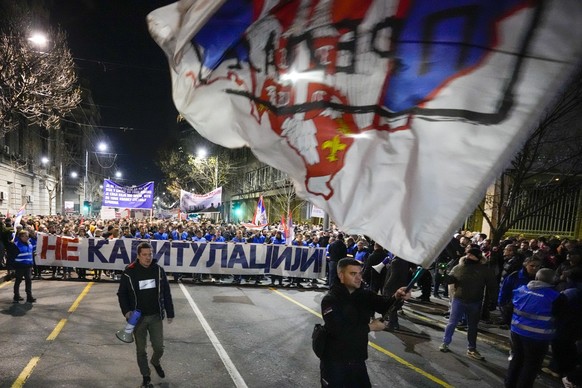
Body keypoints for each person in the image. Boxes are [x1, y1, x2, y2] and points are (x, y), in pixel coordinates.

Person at [320, 258, 408, 387]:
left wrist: (397, 296)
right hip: (334, 360)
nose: (358, 278)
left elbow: (385, 306)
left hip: (357, 358)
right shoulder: (330, 299)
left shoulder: (364, 295)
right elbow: (338, 330)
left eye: (360, 273)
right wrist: (371, 326)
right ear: (341, 275)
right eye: (353, 274)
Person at [117, 242, 175, 388]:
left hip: (155, 316)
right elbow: (122, 294)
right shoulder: (129, 272)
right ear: (138, 256)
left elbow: (166, 292)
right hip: (138, 319)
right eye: (144, 255)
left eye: (150, 254)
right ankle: (146, 376)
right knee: (140, 350)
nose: (148, 258)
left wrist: (170, 312)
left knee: (159, 348)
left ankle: (155, 361)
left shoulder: (158, 271)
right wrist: (126, 311)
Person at [505, 268, 564, 388]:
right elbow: (561, 317)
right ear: (553, 281)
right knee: (531, 365)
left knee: (516, 359)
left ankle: (509, 384)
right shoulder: (556, 297)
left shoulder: (520, 290)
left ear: (536, 278)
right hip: (538, 337)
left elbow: (508, 308)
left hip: (516, 332)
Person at [439, 247, 496, 360]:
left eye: (471, 255)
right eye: (467, 254)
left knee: (473, 326)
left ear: (478, 257)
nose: (468, 256)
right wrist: (442, 274)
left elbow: (492, 286)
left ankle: (471, 348)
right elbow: (450, 281)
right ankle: (445, 343)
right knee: (452, 323)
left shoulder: (485, 270)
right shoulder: (458, 268)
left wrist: (492, 301)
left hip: (475, 301)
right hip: (459, 300)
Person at [13, 230, 36, 303]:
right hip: (20, 265)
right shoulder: (16, 245)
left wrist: (32, 264)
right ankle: (16, 296)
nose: (27, 237)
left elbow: (30, 254)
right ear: (21, 237)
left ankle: (29, 296)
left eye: (27, 236)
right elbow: (12, 256)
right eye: (25, 236)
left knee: (28, 280)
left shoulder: (29, 244)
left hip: (28, 265)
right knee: (18, 280)